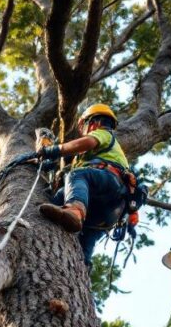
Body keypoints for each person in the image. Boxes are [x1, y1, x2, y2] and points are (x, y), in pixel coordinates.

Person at [29, 103, 134, 265]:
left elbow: (83, 144)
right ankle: (84, 268)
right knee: (84, 235)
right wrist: (44, 163)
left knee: (76, 175)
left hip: (109, 184)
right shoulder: (85, 160)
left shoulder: (104, 133)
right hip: (107, 213)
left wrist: (52, 150)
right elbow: (69, 179)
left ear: (93, 122)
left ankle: (75, 211)